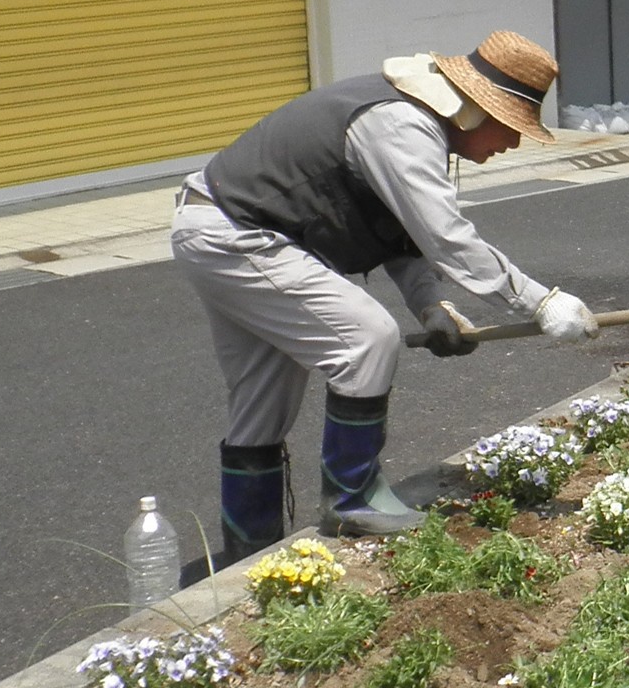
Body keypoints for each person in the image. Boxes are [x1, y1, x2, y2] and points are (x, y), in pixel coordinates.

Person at [171, 30, 598, 561]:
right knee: (367, 339)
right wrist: (539, 302)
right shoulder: (403, 126)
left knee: (264, 401)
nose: (510, 144)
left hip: (218, 224)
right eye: (509, 129)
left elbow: (404, 235)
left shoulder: (412, 119)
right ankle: (352, 499)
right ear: (477, 111)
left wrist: (430, 307)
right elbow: (445, 236)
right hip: (240, 234)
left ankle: (248, 552)